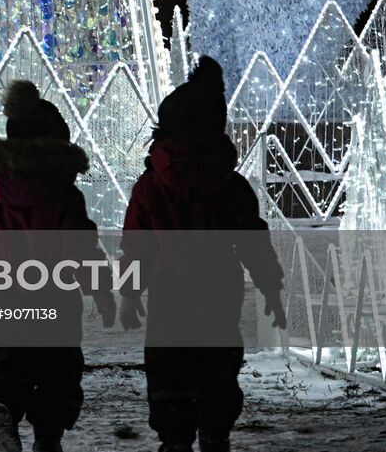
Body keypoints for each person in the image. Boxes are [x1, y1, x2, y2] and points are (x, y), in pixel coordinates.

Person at [118, 56, 286, 452]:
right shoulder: (231, 186)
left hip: (168, 293)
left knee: (169, 370)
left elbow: (136, 245)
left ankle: (175, 438)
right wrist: (271, 288)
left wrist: (128, 294)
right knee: (217, 368)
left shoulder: (150, 187)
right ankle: (215, 431)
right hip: (219, 291)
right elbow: (252, 241)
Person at [0, 80, 116, 452]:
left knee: (2, 359)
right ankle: (48, 435)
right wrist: (101, 290)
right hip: (55, 298)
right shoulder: (64, 196)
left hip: (2, 294)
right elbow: (81, 248)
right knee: (56, 368)